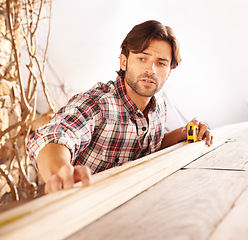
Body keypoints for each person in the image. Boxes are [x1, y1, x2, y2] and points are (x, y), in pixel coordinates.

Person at [27, 20, 213, 194]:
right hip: (82, 208)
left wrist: (184, 133)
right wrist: (58, 172)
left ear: (169, 72)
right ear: (124, 61)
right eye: (142, 58)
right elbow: (55, 134)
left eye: (161, 63)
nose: (151, 70)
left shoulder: (159, 103)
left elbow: (149, 147)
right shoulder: (98, 104)